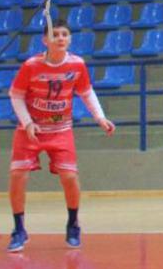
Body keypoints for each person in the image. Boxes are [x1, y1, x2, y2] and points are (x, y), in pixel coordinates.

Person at [6, 23, 113, 252]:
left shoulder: (77, 64)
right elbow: (15, 95)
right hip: (30, 129)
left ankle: (73, 224)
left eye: (65, 34)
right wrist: (27, 122)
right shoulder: (31, 65)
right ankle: (19, 229)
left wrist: (100, 118)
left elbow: (86, 92)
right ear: (45, 40)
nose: (60, 38)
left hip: (61, 129)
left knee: (69, 176)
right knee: (17, 175)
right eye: (55, 35)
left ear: (70, 39)